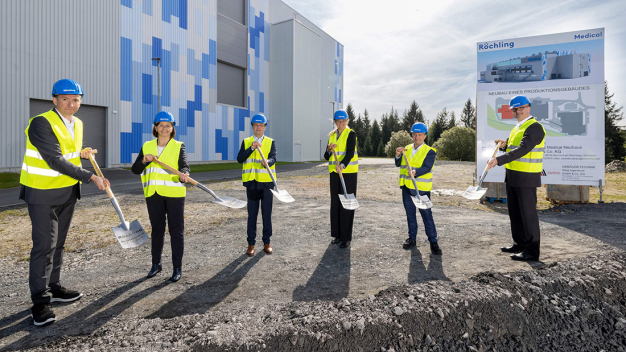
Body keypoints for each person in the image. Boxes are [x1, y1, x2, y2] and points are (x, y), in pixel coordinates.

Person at [19, 79, 108, 326]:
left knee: (58, 244)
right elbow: (54, 159)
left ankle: (54, 287)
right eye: (65, 99)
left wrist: (81, 154)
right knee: (43, 246)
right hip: (42, 193)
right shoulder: (41, 122)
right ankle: (40, 301)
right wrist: (90, 176)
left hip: (67, 192)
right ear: (54, 100)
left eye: (76, 99)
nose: (71, 104)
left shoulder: (77, 123)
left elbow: (66, 152)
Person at [132, 111, 189, 281]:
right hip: (153, 195)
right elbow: (135, 170)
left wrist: (184, 174)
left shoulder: (178, 146)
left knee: (176, 231)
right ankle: (156, 265)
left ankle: (177, 268)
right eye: (161, 125)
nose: (164, 128)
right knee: (157, 231)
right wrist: (144, 160)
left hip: (174, 195)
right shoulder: (147, 146)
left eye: (168, 125)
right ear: (155, 128)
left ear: (173, 128)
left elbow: (185, 167)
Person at [487, 95, 546, 261]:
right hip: (513, 176)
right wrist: (504, 147)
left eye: (521, 108)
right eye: (515, 109)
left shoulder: (534, 127)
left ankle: (532, 251)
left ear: (529, 108)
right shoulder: (517, 128)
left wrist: (499, 159)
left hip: (526, 177)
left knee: (528, 215)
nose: (518, 111)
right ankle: (520, 243)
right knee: (515, 213)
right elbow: (513, 150)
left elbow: (523, 149)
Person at [395, 122, 442, 254]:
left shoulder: (430, 151)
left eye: (420, 135)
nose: (417, 137)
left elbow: (427, 167)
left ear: (425, 136)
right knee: (410, 215)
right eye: (415, 134)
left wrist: (416, 172)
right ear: (412, 135)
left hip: (421, 189)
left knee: (427, 216)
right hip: (407, 188)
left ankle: (433, 241)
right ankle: (412, 239)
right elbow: (398, 164)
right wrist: (398, 154)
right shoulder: (407, 148)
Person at [236, 114, 277, 256]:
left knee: (267, 215)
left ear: (265, 127)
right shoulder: (247, 141)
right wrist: (252, 149)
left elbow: (273, 158)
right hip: (252, 184)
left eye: (261, 125)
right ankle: (251, 244)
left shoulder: (271, 142)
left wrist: (268, 162)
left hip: (266, 185)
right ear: (252, 127)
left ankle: (267, 242)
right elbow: (240, 159)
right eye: (255, 125)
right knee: (252, 216)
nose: (258, 127)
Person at [324, 109, 358, 249]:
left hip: (347, 173)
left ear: (347, 121)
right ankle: (337, 235)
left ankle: (346, 237)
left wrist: (343, 164)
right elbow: (326, 156)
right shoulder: (331, 135)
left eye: (343, 121)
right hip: (334, 173)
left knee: (347, 204)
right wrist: (328, 149)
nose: (341, 123)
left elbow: (350, 152)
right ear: (335, 122)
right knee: (336, 204)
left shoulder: (351, 134)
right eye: (338, 121)